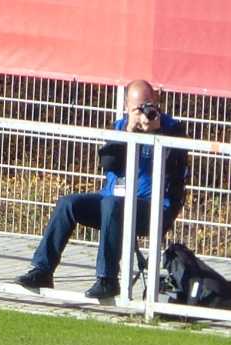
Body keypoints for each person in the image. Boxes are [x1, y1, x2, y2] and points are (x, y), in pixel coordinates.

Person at [16, 80, 188, 302]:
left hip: (154, 208)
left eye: (148, 104)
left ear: (155, 102)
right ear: (126, 106)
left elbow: (176, 168)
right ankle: (42, 270)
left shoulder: (173, 129)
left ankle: (108, 279)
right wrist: (128, 132)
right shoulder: (119, 126)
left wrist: (157, 133)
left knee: (112, 203)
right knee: (69, 203)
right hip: (113, 202)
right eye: (137, 107)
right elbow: (108, 163)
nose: (144, 111)